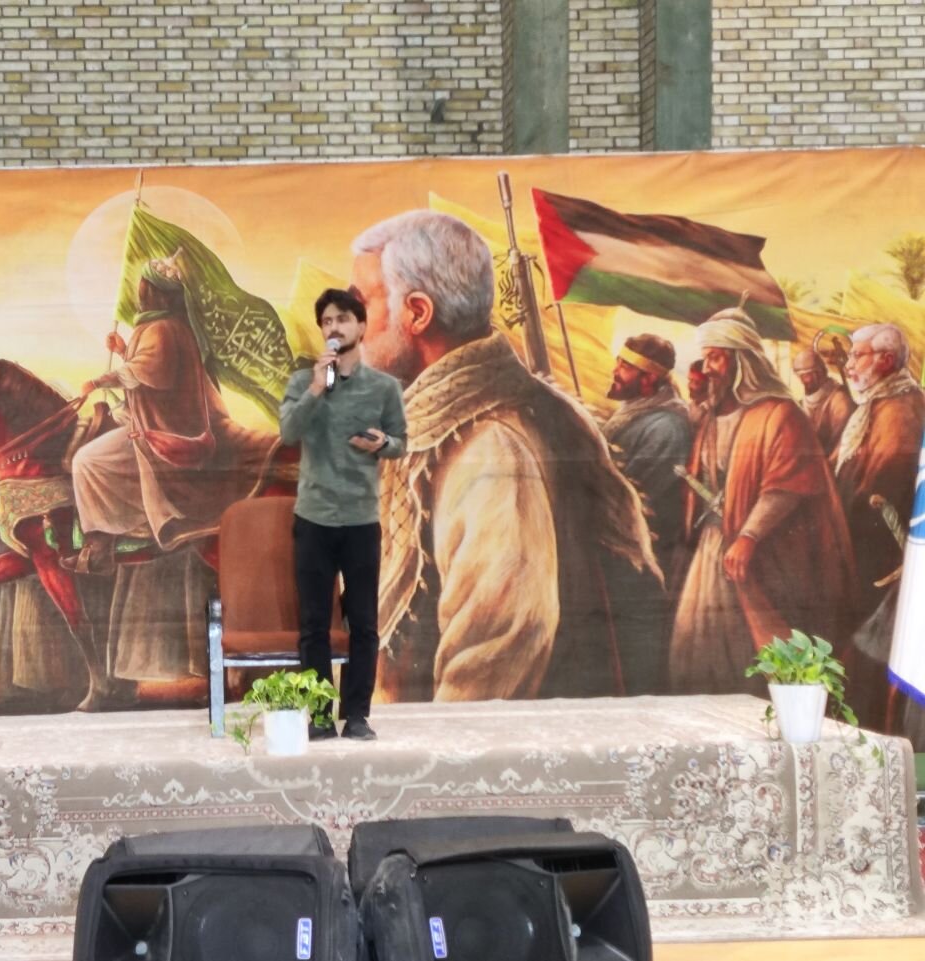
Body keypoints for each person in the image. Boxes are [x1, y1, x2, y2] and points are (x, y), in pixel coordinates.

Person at [349, 210, 658, 703]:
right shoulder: (439, 426)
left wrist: (428, 747)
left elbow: (494, 652)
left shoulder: (491, 449)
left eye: (361, 302)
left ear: (418, 313)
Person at [669, 309, 854, 694]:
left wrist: (749, 535)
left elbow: (786, 485)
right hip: (713, 548)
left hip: (763, 554)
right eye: (706, 358)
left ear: (742, 361)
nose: (708, 368)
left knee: (758, 649)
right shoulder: (712, 416)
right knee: (698, 647)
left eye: (716, 357)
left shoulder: (780, 414)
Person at [70, 258, 277, 575]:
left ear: (154, 292)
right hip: (146, 422)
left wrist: (99, 382)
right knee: (91, 457)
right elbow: (147, 367)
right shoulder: (157, 326)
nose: (139, 292)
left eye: (144, 286)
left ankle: (101, 547)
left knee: (87, 461)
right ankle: (110, 536)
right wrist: (124, 350)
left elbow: (147, 372)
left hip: (162, 431)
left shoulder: (165, 328)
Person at [279, 287, 407, 741]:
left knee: (364, 623)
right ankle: (318, 715)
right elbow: (289, 432)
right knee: (314, 623)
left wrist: (383, 443)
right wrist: (317, 387)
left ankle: (356, 715)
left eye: (342, 319)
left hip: (360, 520)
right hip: (314, 518)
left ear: (361, 326)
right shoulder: (303, 382)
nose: (334, 327)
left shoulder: (385, 387)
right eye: (327, 322)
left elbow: (401, 442)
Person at [832, 323, 924, 725]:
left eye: (858, 355)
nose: (849, 365)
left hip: (883, 564)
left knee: (868, 662)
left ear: (886, 361)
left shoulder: (900, 410)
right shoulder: (879, 403)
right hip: (868, 556)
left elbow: (881, 488)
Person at [601, 334, 692, 693]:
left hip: (644, 558)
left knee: (638, 653)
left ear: (649, 378)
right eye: (618, 362)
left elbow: (636, 493)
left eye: (625, 366)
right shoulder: (634, 411)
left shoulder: (667, 427)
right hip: (619, 551)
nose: (615, 371)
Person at [792, 347, 855, 458]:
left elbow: (843, 444)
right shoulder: (801, 404)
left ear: (819, 373)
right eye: (799, 376)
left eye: (805, 376)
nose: (802, 381)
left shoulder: (839, 401)